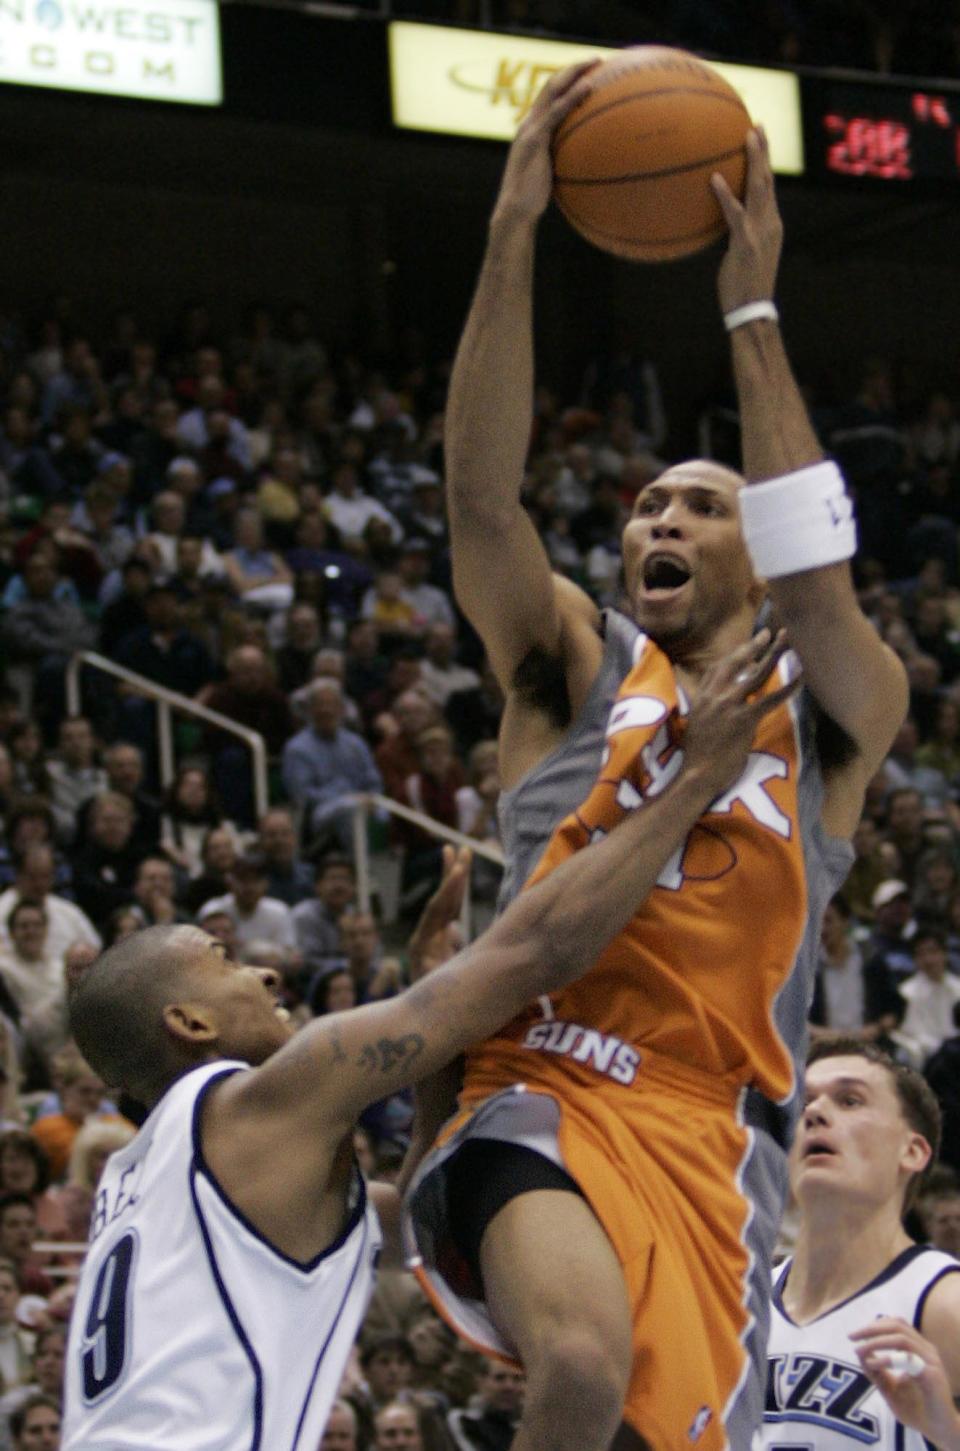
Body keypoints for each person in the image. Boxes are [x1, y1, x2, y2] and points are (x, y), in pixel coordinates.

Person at [404, 71, 909, 1451]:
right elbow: (477, 497)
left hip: (714, 1134)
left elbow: (825, 583)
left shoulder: (842, 711)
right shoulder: (572, 663)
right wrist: (510, 234)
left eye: (700, 502)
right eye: (642, 508)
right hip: (545, 1072)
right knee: (574, 1356)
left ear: (757, 543)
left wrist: (754, 313)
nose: (656, 521)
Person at [60, 637, 781, 1450]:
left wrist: (442, 1058)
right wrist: (694, 781)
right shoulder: (252, 1101)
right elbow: (531, 954)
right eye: (224, 961)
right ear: (188, 1023)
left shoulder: (147, 1178)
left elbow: (407, 1220)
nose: (262, 974)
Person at [759, 1037, 960, 1449]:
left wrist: (947, 1431)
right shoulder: (746, 1301)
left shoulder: (943, 1301)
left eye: (849, 1101)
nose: (814, 1112)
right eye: (806, 1102)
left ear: (912, 1151)